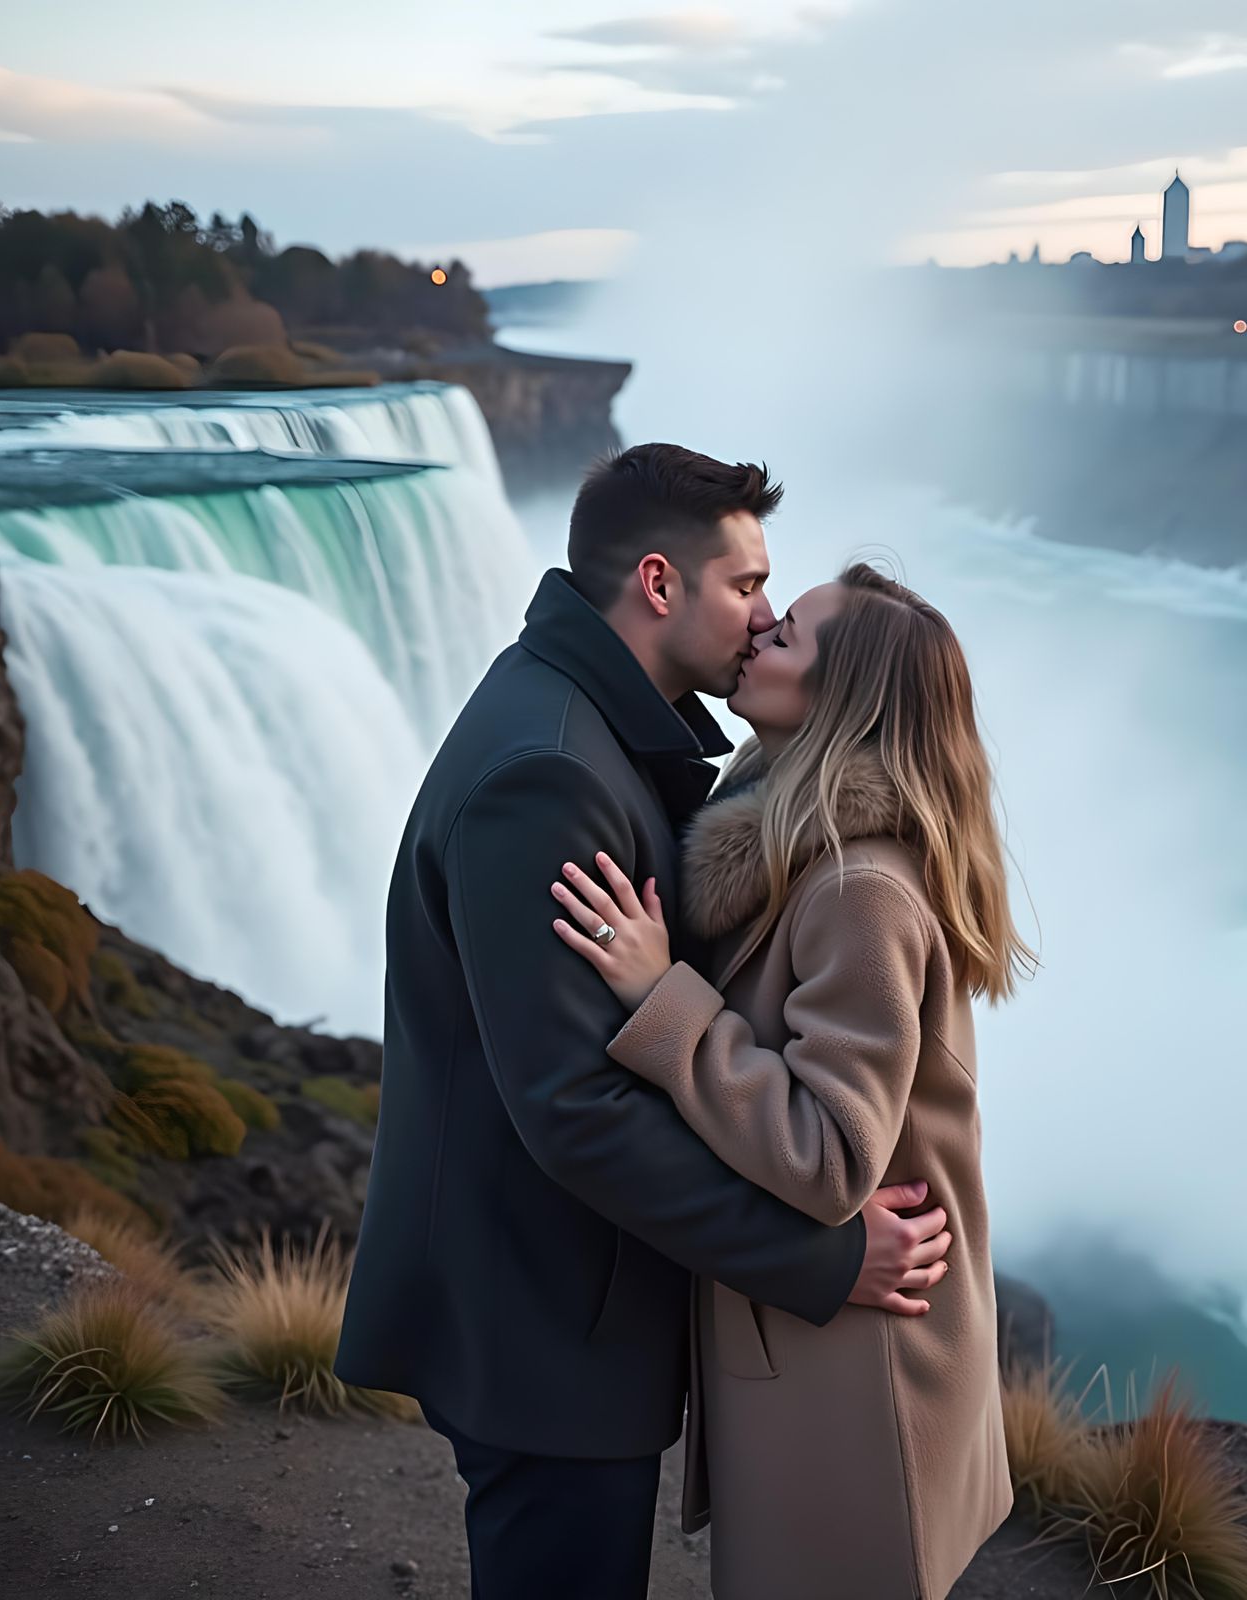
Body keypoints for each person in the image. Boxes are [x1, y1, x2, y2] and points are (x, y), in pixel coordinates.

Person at [334, 446, 954, 1600]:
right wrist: (823, 1257)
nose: (763, 616)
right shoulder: (548, 775)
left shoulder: (590, 722)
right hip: (540, 1324)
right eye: (748, 585)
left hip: (563, 1304)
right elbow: (576, 1109)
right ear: (660, 585)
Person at [549, 562, 1033, 1599]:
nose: (762, 627)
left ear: (839, 695)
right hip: (826, 1343)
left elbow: (829, 1157)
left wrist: (664, 998)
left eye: (790, 633)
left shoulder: (858, 888)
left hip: (860, 1371)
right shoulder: (796, 845)